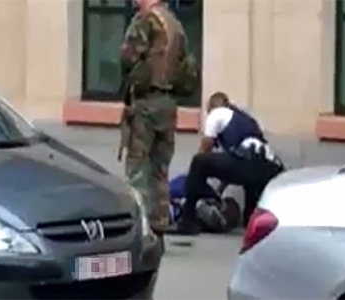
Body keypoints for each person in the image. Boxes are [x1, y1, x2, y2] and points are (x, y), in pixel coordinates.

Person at [119, 0, 196, 243]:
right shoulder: (175, 24)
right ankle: (160, 224)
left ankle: (141, 226)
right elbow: (186, 67)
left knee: (138, 168)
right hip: (168, 104)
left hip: (146, 104)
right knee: (160, 169)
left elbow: (128, 57)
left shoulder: (145, 21)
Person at [173, 92, 285, 235]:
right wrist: (219, 189)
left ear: (213, 107)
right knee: (250, 215)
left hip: (248, 161)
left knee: (199, 162)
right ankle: (250, 224)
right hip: (269, 166)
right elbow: (233, 165)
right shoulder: (247, 120)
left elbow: (204, 149)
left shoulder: (217, 113)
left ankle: (188, 222)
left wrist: (194, 181)